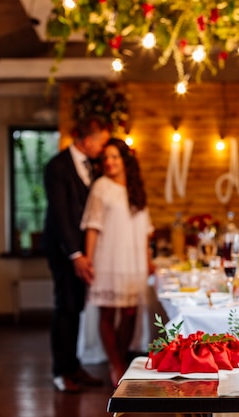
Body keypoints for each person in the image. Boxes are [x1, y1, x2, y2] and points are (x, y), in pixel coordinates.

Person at [43, 115, 110, 393]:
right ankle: (61, 372)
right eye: (101, 143)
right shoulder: (57, 166)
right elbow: (60, 214)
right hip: (64, 250)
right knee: (66, 307)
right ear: (87, 140)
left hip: (83, 250)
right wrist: (76, 254)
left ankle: (74, 365)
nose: (102, 149)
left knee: (77, 308)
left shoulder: (92, 167)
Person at [81, 138, 154, 387]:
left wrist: (148, 260)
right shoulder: (101, 186)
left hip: (133, 260)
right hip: (107, 258)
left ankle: (121, 358)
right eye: (106, 158)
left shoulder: (136, 189)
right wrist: (88, 260)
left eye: (114, 157)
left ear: (125, 160)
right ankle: (116, 365)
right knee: (108, 311)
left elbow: (145, 231)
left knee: (131, 312)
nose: (109, 162)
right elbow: (92, 225)